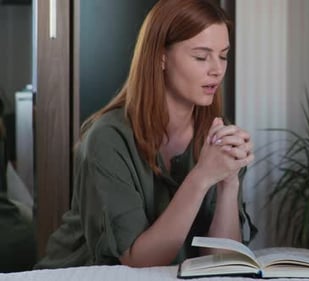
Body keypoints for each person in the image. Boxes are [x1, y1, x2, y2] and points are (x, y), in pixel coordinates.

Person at [35, 0, 254, 268]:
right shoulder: (107, 139)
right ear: (161, 56)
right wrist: (202, 176)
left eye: (223, 55)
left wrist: (228, 184)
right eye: (201, 56)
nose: (217, 70)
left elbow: (220, 264)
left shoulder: (217, 133)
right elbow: (139, 262)